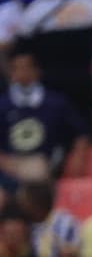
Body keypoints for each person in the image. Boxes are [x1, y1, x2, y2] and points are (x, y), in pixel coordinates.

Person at [16, 0, 92, 121]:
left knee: (53, 128)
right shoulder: (90, 3)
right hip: (83, 79)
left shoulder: (33, 11)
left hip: (49, 82)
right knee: (83, 126)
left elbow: (23, 52)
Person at [0, 49, 87, 183]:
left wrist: (78, 159)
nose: (23, 73)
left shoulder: (56, 102)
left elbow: (81, 135)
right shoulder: (2, 105)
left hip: (48, 165)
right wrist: (7, 164)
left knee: (37, 169)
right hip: (10, 168)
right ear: (10, 73)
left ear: (37, 71)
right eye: (17, 68)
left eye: (27, 67)